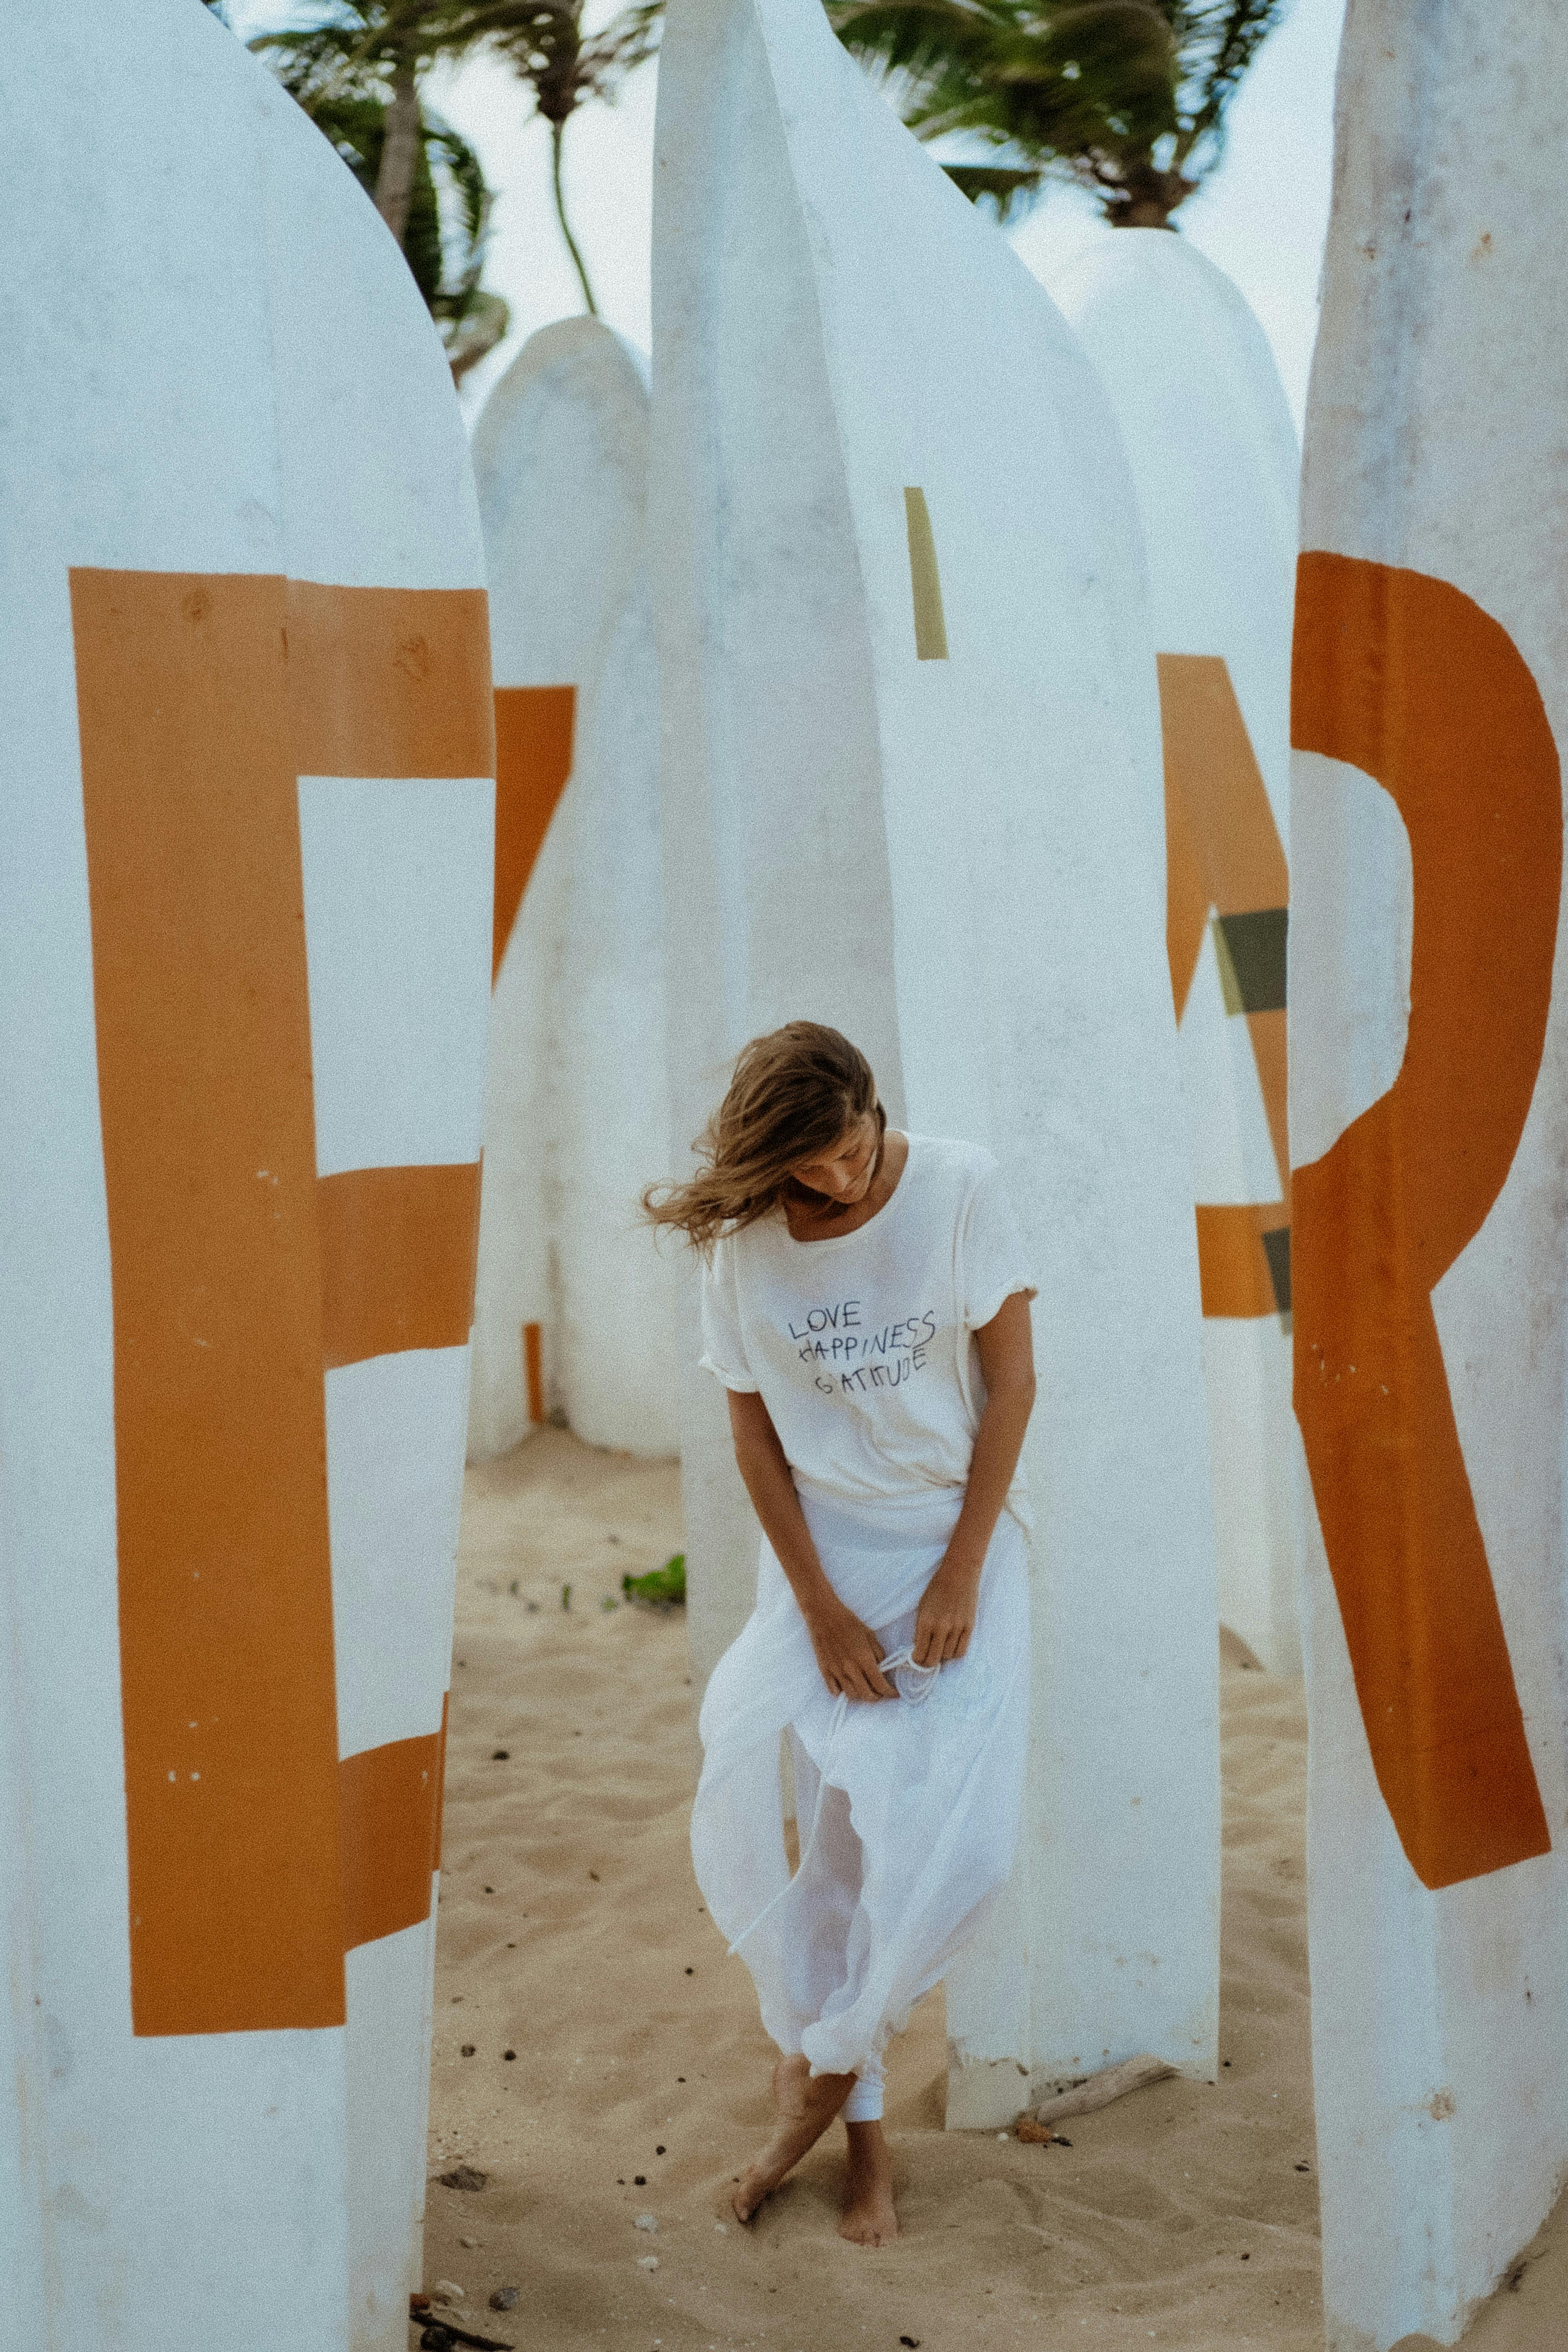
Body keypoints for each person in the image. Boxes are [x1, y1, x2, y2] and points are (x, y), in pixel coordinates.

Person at [645, 1022, 1037, 2246]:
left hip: (953, 1554)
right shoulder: (745, 1249)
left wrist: (961, 1569)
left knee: (953, 1854)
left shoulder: (962, 1186)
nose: (838, 1180)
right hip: (822, 1572)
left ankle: (801, 2103)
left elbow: (1013, 1387)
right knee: (833, 1849)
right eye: (809, 1167)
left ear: (877, 1107)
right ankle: (858, 2144)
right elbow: (754, 1437)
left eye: (853, 1149)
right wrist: (815, 1608)